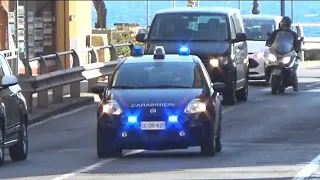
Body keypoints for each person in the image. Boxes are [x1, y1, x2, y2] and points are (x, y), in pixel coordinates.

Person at [266, 16, 301, 91]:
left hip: (287, 52)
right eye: (284, 25)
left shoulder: (293, 34)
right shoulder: (276, 32)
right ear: (281, 24)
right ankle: (268, 78)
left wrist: (297, 49)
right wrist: (269, 43)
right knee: (268, 63)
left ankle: (295, 84)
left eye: (287, 25)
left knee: (293, 66)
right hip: (276, 52)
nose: (285, 27)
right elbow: (271, 40)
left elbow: (296, 44)